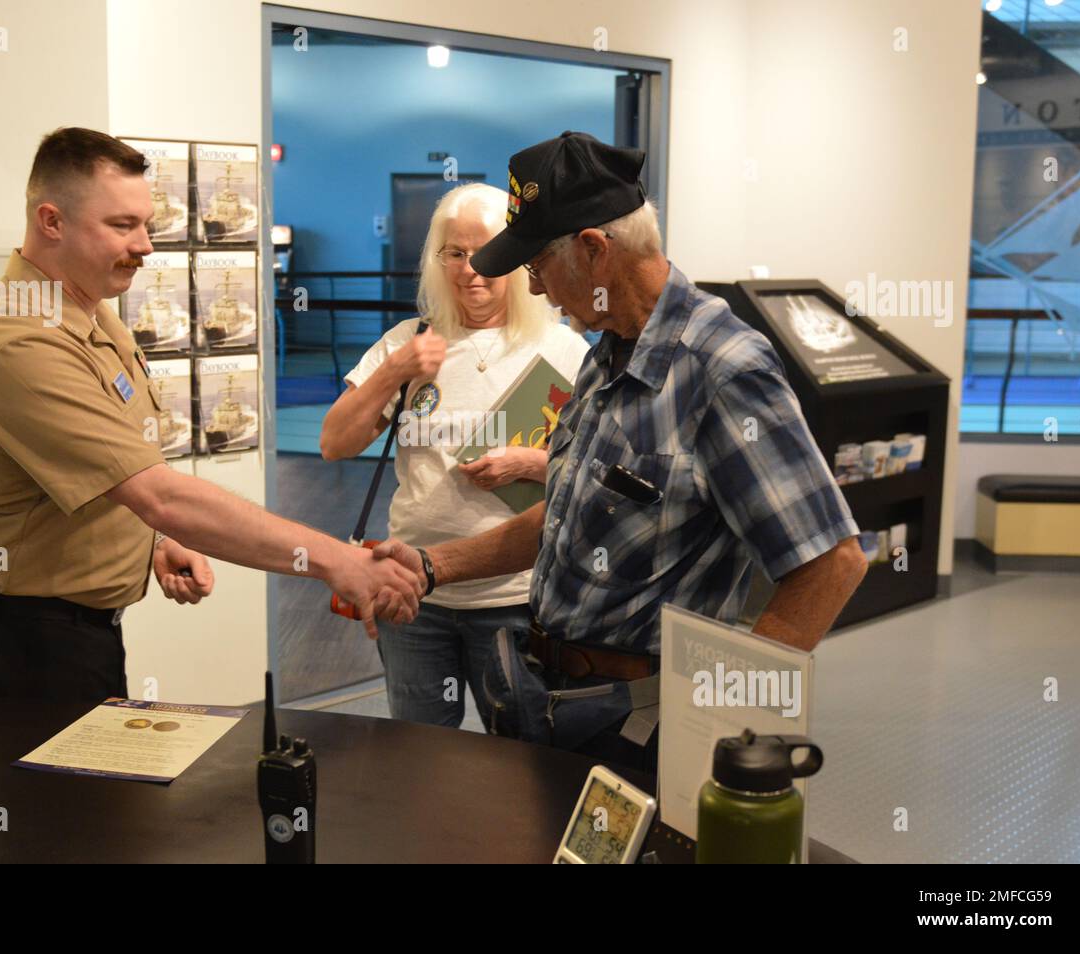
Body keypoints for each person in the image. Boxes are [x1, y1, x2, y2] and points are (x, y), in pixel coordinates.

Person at [371, 132, 868, 771]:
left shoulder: (720, 368)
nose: (541, 290)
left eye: (538, 266)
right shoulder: (607, 353)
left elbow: (832, 562)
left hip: (642, 723)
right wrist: (431, 564)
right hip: (551, 701)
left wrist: (723, 718)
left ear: (594, 251)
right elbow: (564, 516)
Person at [0, 127, 421, 701]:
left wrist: (152, 543)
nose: (146, 246)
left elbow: (103, 472)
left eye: (145, 224)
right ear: (51, 222)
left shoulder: (90, 312)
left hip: (74, 632)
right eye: (121, 225)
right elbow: (159, 493)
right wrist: (338, 560)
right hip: (19, 645)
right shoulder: (26, 344)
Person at [320, 182, 590, 728]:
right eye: (456, 254)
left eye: (487, 254)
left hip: (515, 599)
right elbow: (334, 443)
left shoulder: (562, 348)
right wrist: (396, 372)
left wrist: (530, 465)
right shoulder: (408, 342)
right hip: (412, 596)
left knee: (520, 760)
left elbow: (594, 475)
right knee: (421, 761)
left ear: (515, 259)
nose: (471, 270)